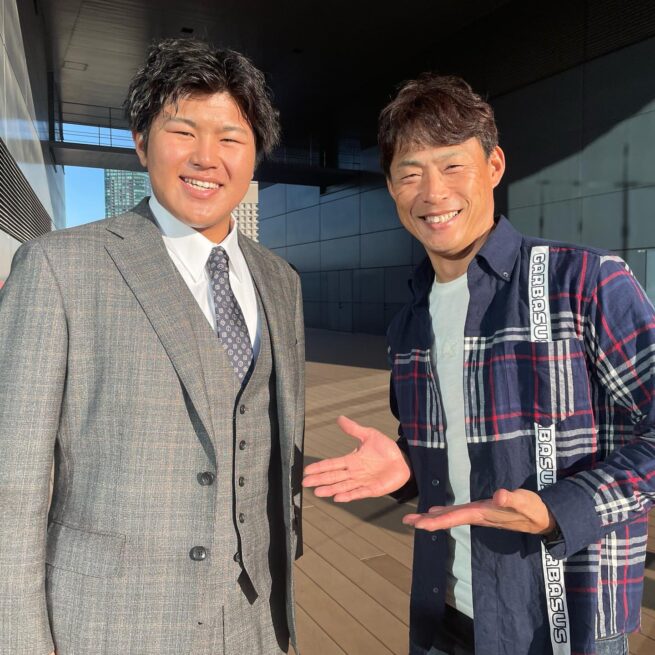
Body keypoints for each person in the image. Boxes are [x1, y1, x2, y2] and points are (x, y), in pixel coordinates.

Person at [303, 74, 655, 655]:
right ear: (391, 187)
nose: (433, 193)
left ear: (494, 166)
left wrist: (561, 510)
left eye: (452, 166)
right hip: (444, 614)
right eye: (410, 174)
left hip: (564, 619)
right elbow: (459, 449)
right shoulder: (409, 324)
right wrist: (409, 467)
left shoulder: (583, 283)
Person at [0, 38, 304, 655]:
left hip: (258, 618)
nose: (206, 157)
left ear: (255, 154)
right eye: (182, 131)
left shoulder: (281, 280)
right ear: (141, 142)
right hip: (114, 623)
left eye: (231, 137)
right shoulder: (60, 267)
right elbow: (12, 479)